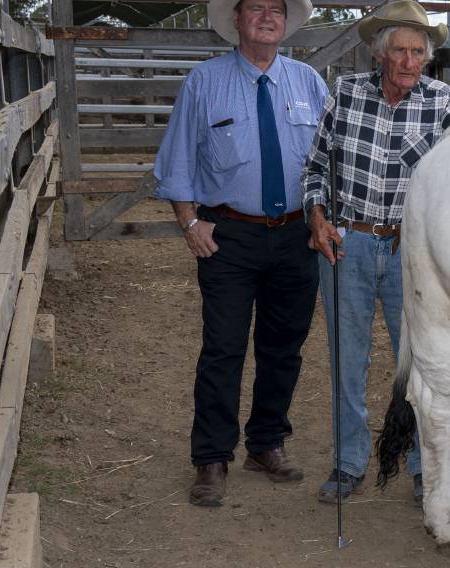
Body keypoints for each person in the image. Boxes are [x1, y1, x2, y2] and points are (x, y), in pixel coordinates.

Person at [303, 0, 450, 504]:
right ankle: (348, 462)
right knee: (348, 358)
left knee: (422, 362)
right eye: (400, 51)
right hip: (348, 242)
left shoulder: (443, 101)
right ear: (378, 53)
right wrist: (316, 216)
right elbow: (316, 168)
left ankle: (424, 466)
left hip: (413, 251)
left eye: (418, 53)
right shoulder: (344, 95)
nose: (410, 62)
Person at [153, 0, 327, 507]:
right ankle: (211, 457)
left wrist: (323, 218)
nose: (267, 16)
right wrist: (188, 222)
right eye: (256, 7)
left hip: (297, 236)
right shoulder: (203, 82)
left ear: (287, 21)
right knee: (223, 348)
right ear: (237, 19)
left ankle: (266, 443)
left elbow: (328, 158)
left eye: (277, 8)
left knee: (283, 347)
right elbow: (178, 159)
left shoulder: (309, 83)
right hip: (229, 235)